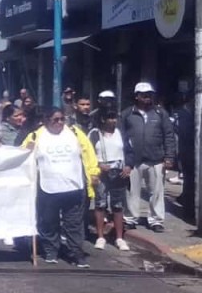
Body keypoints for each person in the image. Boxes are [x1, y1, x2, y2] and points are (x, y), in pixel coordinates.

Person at [22, 108, 100, 267]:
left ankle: (76, 253)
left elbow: (88, 153)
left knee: (74, 223)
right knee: (49, 222)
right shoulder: (36, 136)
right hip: (48, 188)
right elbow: (22, 156)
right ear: (46, 120)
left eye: (62, 119)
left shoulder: (75, 133)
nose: (59, 123)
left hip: (74, 187)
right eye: (55, 120)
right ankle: (51, 250)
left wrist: (94, 172)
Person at [121, 82, 176, 233]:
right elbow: (121, 137)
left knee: (156, 192)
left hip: (156, 159)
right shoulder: (127, 114)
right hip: (133, 161)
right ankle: (130, 218)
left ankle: (156, 220)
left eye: (150, 95)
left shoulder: (160, 113)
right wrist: (125, 159)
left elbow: (169, 135)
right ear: (137, 96)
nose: (148, 98)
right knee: (132, 191)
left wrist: (169, 156)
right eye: (144, 95)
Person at [88, 109, 133, 251]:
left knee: (118, 205)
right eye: (110, 118)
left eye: (115, 118)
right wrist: (98, 166)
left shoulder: (121, 134)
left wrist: (128, 166)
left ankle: (119, 238)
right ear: (102, 119)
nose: (114, 121)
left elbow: (130, 151)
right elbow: (88, 154)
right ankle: (100, 237)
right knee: (100, 204)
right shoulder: (94, 134)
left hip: (119, 172)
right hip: (101, 173)